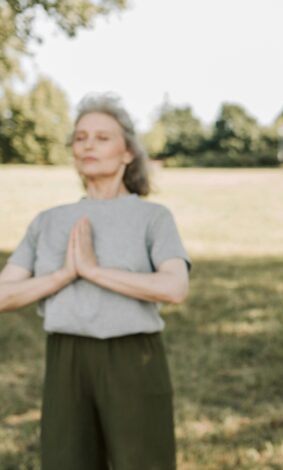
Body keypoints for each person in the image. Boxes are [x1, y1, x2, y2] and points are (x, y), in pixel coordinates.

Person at [0, 93, 190, 470]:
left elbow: (175, 288)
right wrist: (63, 275)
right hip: (66, 358)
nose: (88, 144)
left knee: (143, 462)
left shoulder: (153, 217)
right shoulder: (48, 220)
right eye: (81, 137)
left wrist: (94, 271)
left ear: (127, 153)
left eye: (103, 137)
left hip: (134, 357)